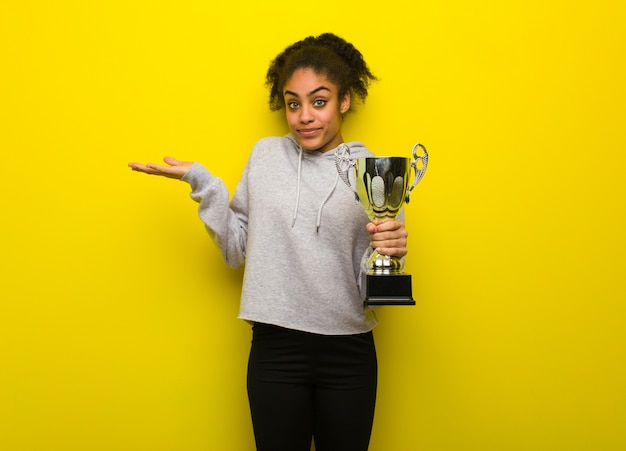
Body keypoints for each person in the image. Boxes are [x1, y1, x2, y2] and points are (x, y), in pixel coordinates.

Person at [128, 32, 409, 451]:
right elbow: (236, 251)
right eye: (293, 103)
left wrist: (389, 252)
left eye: (319, 101)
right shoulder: (265, 156)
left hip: (348, 352)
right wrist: (203, 185)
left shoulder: (377, 173)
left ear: (344, 101)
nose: (304, 117)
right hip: (276, 349)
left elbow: (376, 290)